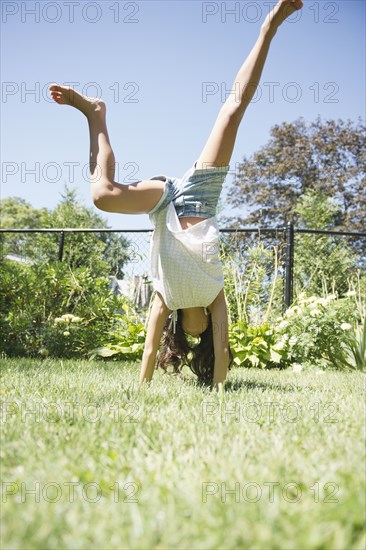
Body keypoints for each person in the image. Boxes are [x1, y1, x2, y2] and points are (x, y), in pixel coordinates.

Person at [49, 0, 303, 389]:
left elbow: (149, 351)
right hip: (202, 196)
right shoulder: (213, 297)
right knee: (232, 113)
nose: (203, 326)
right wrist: (220, 390)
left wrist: (142, 388)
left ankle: (94, 116)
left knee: (102, 196)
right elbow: (223, 346)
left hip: (166, 202)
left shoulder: (166, 298)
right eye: (206, 326)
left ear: (183, 326)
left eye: (195, 328)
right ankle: (270, 25)